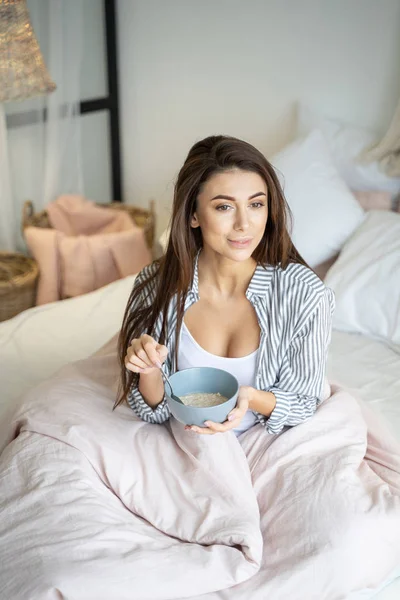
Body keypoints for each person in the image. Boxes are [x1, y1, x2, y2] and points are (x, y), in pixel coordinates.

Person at [115, 135, 335, 437]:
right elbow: (152, 412)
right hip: (183, 441)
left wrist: (253, 398)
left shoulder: (304, 293)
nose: (244, 224)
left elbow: (303, 403)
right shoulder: (157, 286)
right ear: (193, 214)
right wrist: (149, 371)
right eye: (224, 208)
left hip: (269, 441)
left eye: (256, 204)